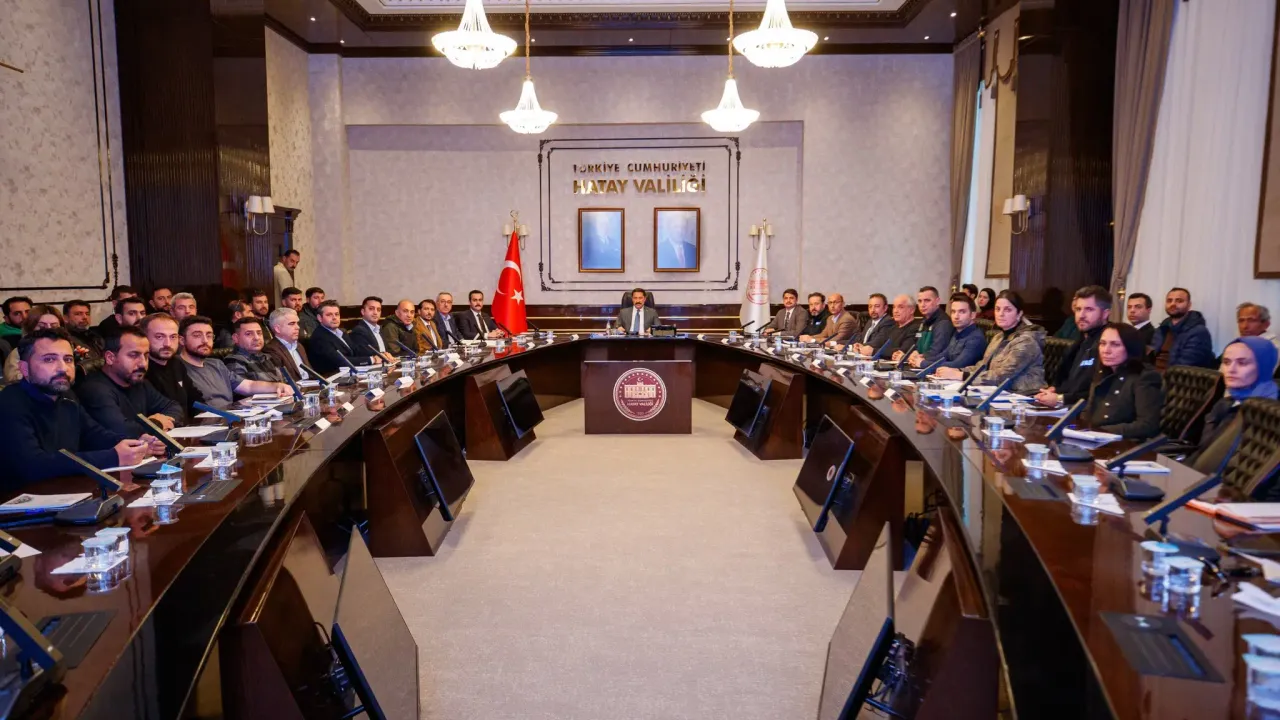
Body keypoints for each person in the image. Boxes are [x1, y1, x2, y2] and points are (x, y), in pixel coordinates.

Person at [0, 329, 160, 486]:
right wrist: (113, 457)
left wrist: (136, 444)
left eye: (68, 359)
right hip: (22, 497)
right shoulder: (9, 403)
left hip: (67, 490)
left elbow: (94, 435)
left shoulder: (67, 397)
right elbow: (32, 465)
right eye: (49, 360)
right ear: (24, 368)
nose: (63, 368)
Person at [77, 326, 183, 437]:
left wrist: (155, 424)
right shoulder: (95, 390)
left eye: (146, 356)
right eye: (133, 355)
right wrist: (157, 424)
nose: (143, 363)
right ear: (110, 358)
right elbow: (122, 431)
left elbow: (174, 407)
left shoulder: (139, 382)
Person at [935, 290, 1047, 394]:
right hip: (997, 393)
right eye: (997, 309)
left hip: (1025, 397)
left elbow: (1002, 376)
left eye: (1007, 310)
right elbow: (983, 366)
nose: (1001, 314)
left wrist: (961, 375)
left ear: (1019, 314)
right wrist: (957, 370)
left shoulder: (1026, 341)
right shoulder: (998, 337)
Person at [179, 316, 291, 407]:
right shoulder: (176, 367)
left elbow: (248, 386)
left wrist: (277, 386)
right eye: (197, 335)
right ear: (182, 340)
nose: (205, 340)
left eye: (209, 335)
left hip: (229, 418)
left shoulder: (216, 364)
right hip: (202, 423)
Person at [1081, 323, 1164, 439]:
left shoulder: (1144, 376)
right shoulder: (1102, 371)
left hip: (1124, 442)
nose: (1106, 350)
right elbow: (1089, 412)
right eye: (1102, 343)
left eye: (1115, 344)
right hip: (1094, 437)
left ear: (1131, 347)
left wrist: (1100, 432)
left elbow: (1147, 426)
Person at [1036, 286, 1111, 407]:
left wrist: (1061, 398)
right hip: (1065, 406)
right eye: (1078, 309)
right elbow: (1067, 381)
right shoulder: (1080, 341)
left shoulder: (1109, 344)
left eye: (1089, 309)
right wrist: (1054, 390)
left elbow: (1103, 391)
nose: (1081, 315)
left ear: (1105, 314)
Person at [141, 313, 201, 421]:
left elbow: (196, 400)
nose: (167, 344)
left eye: (173, 337)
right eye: (159, 337)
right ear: (144, 338)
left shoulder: (176, 363)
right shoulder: (139, 370)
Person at [1149, 287, 1215, 370]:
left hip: (1175, 376)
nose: (1173, 304)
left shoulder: (1199, 332)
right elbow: (1150, 357)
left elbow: (1186, 367)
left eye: (1179, 301)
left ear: (1189, 305)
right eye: (1169, 301)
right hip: (1152, 374)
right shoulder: (1162, 329)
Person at [307, 300, 381, 375]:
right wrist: (371, 359)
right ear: (320, 318)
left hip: (350, 374)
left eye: (337, 314)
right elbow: (340, 361)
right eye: (329, 315)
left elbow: (357, 351)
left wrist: (379, 356)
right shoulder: (320, 337)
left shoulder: (342, 332)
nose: (334, 318)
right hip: (332, 377)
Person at [915, 293, 986, 370]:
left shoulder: (976, 338)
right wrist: (923, 358)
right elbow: (944, 356)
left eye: (962, 312)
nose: (956, 316)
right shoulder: (957, 332)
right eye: (953, 312)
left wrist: (923, 363)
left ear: (973, 315)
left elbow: (957, 365)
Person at [3, 305, 64, 384]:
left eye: (54, 326)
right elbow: (13, 379)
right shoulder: (19, 352)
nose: (49, 329)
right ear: (30, 328)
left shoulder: (68, 348)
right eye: (41, 326)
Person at [223, 317, 287, 384]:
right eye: (248, 334)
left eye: (259, 333)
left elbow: (286, 382)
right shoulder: (234, 362)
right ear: (236, 338)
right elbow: (243, 389)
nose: (257, 338)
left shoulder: (269, 357)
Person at [903, 286, 954, 366]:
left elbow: (937, 351)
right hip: (918, 363)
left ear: (937, 301)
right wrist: (913, 353)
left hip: (932, 366)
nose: (922, 305)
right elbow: (917, 342)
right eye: (920, 301)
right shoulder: (923, 321)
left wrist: (920, 357)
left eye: (927, 300)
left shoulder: (943, 323)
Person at [263, 307, 312, 382]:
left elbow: (311, 373)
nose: (298, 327)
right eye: (292, 324)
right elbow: (282, 381)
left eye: (297, 323)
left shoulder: (299, 346)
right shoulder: (271, 350)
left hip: (312, 386)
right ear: (277, 329)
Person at [348, 296, 398, 363]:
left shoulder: (380, 329)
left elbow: (386, 351)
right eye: (371, 309)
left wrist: (388, 355)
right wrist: (384, 355)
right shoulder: (358, 331)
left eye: (378, 310)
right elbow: (365, 354)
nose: (375, 312)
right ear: (363, 311)